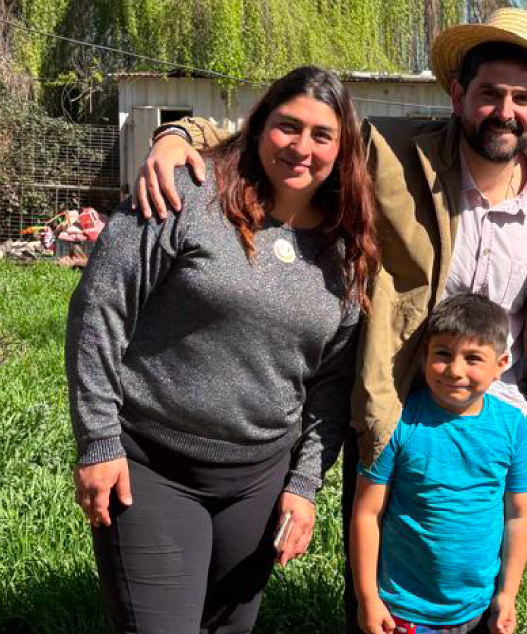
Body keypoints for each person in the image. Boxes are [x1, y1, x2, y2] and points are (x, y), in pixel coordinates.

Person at [132, 8, 527, 632]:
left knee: (480, 578)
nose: (505, 111)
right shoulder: (395, 157)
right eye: (490, 93)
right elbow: (291, 132)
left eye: (523, 98)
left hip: (501, 421)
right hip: (398, 407)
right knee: (378, 584)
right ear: (459, 93)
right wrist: (180, 133)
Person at [66, 66, 377, 634]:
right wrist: (98, 439)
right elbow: (99, 308)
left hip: (258, 482)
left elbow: (330, 383)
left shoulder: (346, 250)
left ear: (343, 149)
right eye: (288, 126)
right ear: (259, 127)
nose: (301, 148)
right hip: (151, 465)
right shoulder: (187, 192)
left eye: (321, 135)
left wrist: (304, 485)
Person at [351, 294, 527, 634]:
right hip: (403, 612)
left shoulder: (513, 428)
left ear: (502, 363)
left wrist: (507, 595)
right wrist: (367, 599)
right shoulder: (399, 422)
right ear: (424, 356)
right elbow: (366, 512)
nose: (455, 370)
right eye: (443, 354)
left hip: (479, 611)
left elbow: (519, 514)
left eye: (473, 358)